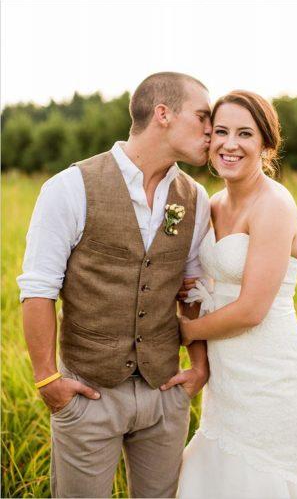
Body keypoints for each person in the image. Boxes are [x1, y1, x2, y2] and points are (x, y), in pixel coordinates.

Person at [17, 72, 213, 498]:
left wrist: (198, 367)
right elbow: (38, 289)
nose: (211, 130)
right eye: (202, 117)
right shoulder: (69, 188)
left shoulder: (195, 196)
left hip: (165, 395)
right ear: (163, 114)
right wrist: (47, 380)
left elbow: (193, 290)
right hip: (89, 394)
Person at [175, 91, 297, 499]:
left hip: (269, 371)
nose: (230, 143)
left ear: (265, 144)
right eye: (221, 131)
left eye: (245, 133)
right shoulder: (211, 204)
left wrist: (183, 331)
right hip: (227, 371)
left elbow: (251, 310)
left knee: (262, 478)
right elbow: (198, 280)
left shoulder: (274, 205)